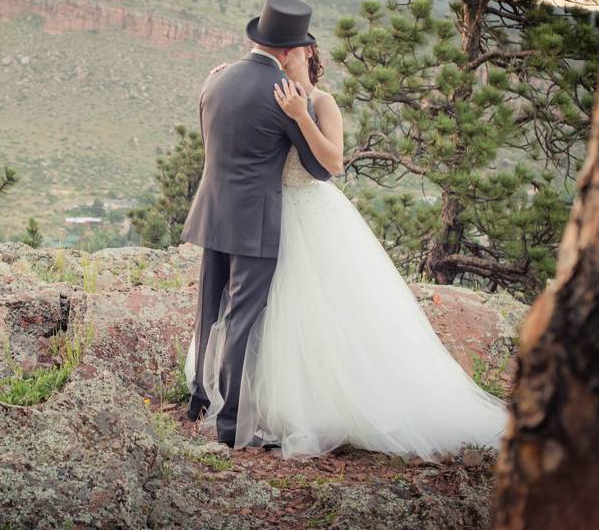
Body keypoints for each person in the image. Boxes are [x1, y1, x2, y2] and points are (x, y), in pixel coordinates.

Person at [183, 38, 510, 462]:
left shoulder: (320, 102)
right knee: (260, 314)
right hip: (259, 215)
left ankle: (295, 404)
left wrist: (301, 116)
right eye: (285, 49)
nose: (288, 55)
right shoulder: (264, 90)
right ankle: (242, 400)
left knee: (306, 315)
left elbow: (331, 164)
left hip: (303, 214)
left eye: (296, 50)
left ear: (308, 56)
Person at [180, 0, 332, 448]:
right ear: (288, 51)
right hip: (255, 223)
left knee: (210, 312)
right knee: (243, 320)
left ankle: (199, 399)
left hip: (212, 211)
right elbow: (320, 170)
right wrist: (301, 115)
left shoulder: (216, 79)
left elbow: (212, 139)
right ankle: (230, 424)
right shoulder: (286, 97)